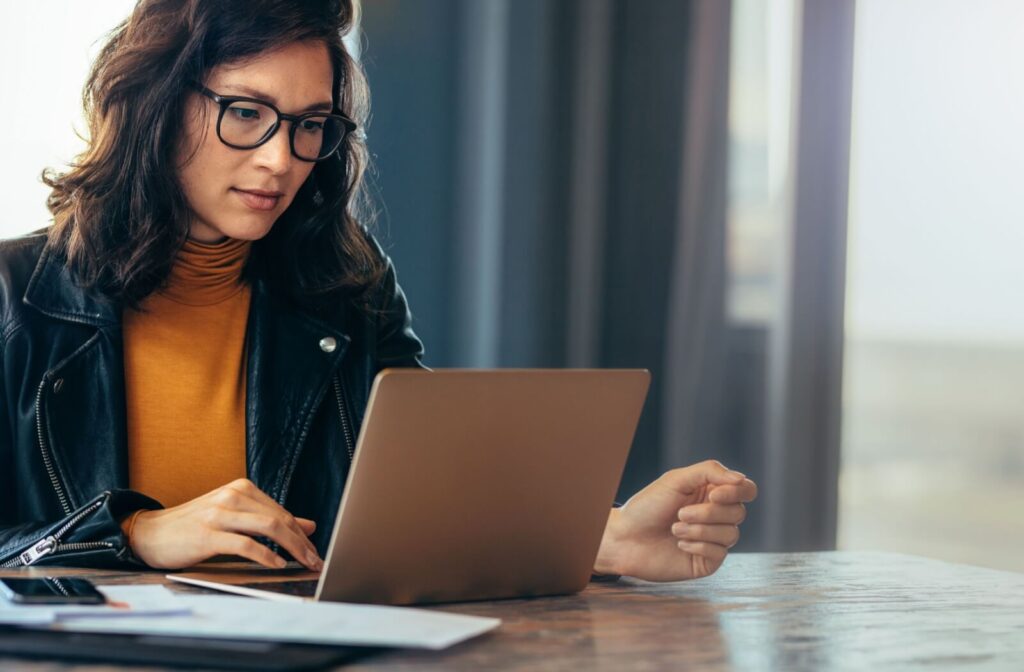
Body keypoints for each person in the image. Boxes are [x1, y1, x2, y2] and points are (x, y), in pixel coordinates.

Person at [0, 0, 757, 583]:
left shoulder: (347, 291)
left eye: (309, 125)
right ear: (155, 104)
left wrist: (608, 536)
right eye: (246, 113)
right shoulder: (13, 296)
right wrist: (133, 534)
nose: (280, 159)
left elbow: (423, 503)